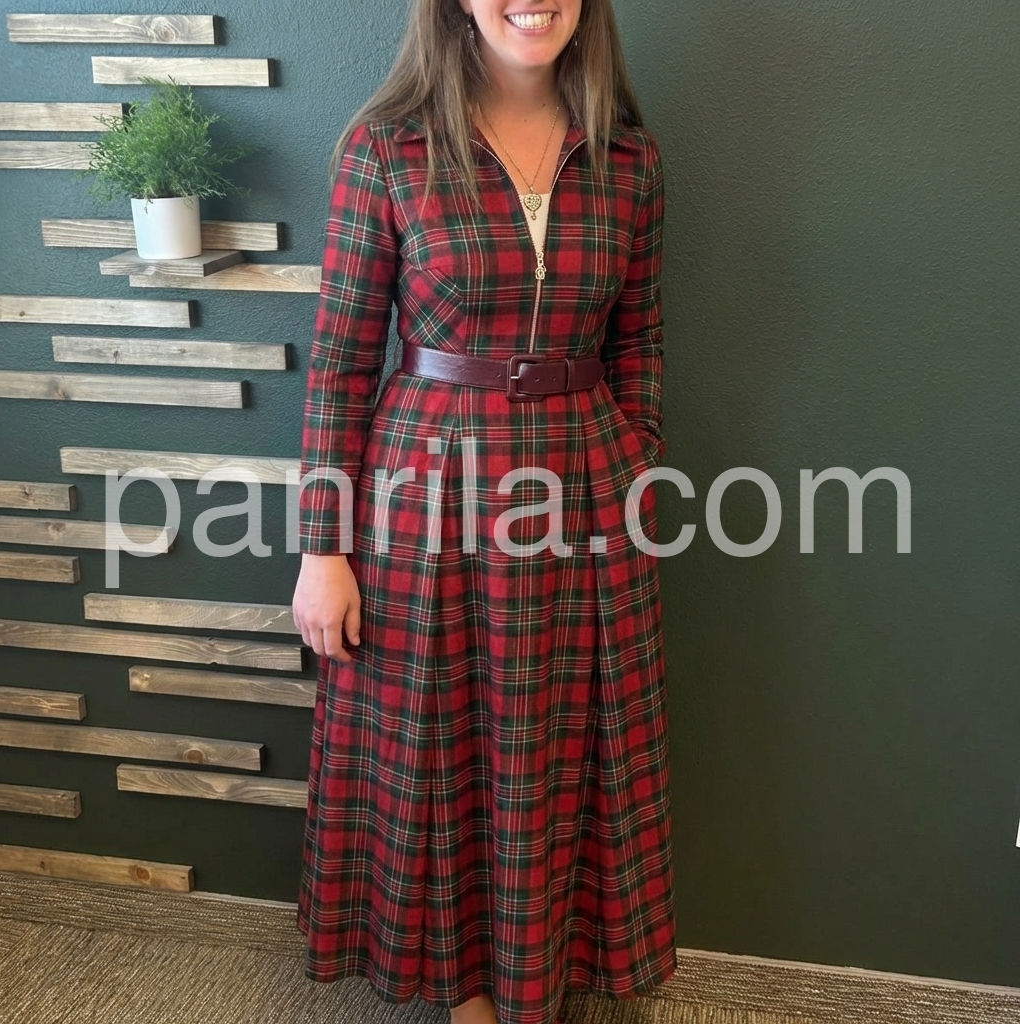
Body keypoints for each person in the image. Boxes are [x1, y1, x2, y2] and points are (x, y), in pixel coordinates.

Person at [290, 1, 675, 1022]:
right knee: (445, 746)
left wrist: (634, 462)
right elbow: (338, 363)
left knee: (556, 747)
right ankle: (465, 994)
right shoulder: (387, 150)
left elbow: (640, 339)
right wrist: (322, 549)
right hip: (426, 494)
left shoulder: (630, 160)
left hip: (586, 494)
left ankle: (536, 984)